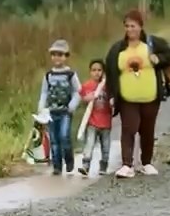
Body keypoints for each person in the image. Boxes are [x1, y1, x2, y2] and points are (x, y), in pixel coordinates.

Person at [102, 10, 170, 179]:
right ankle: (126, 164)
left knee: (147, 130)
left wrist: (158, 59)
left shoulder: (152, 44)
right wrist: (111, 95)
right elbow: (110, 73)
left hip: (150, 97)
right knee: (129, 128)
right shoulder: (117, 49)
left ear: (140, 27)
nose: (130, 29)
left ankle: (146, 163)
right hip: (127, 98)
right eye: (127, 26)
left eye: (133, 26)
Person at [37, 40, 81, 176]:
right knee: (54, 140)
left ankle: (69, 159)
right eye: (54, 54)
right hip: (51, 112)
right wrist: (41, 107)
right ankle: (57, 166)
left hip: (65, 112)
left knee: (64, 136)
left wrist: (73, 105)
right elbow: (44, 92)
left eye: (60, 55)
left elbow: (78, 91)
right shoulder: (48, 75)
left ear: (66, 56)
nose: (57, 58)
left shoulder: (70, 75)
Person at [78, 59, 114, 177]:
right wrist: (86, 98)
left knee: (106, 145)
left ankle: (103, 165)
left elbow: (113, 99)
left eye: (99, 70)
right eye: (94, 70)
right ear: (90, 72)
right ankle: (86, 165)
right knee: (89, 143)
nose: (96, 73)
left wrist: (113, 102)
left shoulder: (107, 86)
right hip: (92, 122)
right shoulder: (86, 86)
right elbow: (82, 101)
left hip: (106, 122)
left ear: (103, 72)